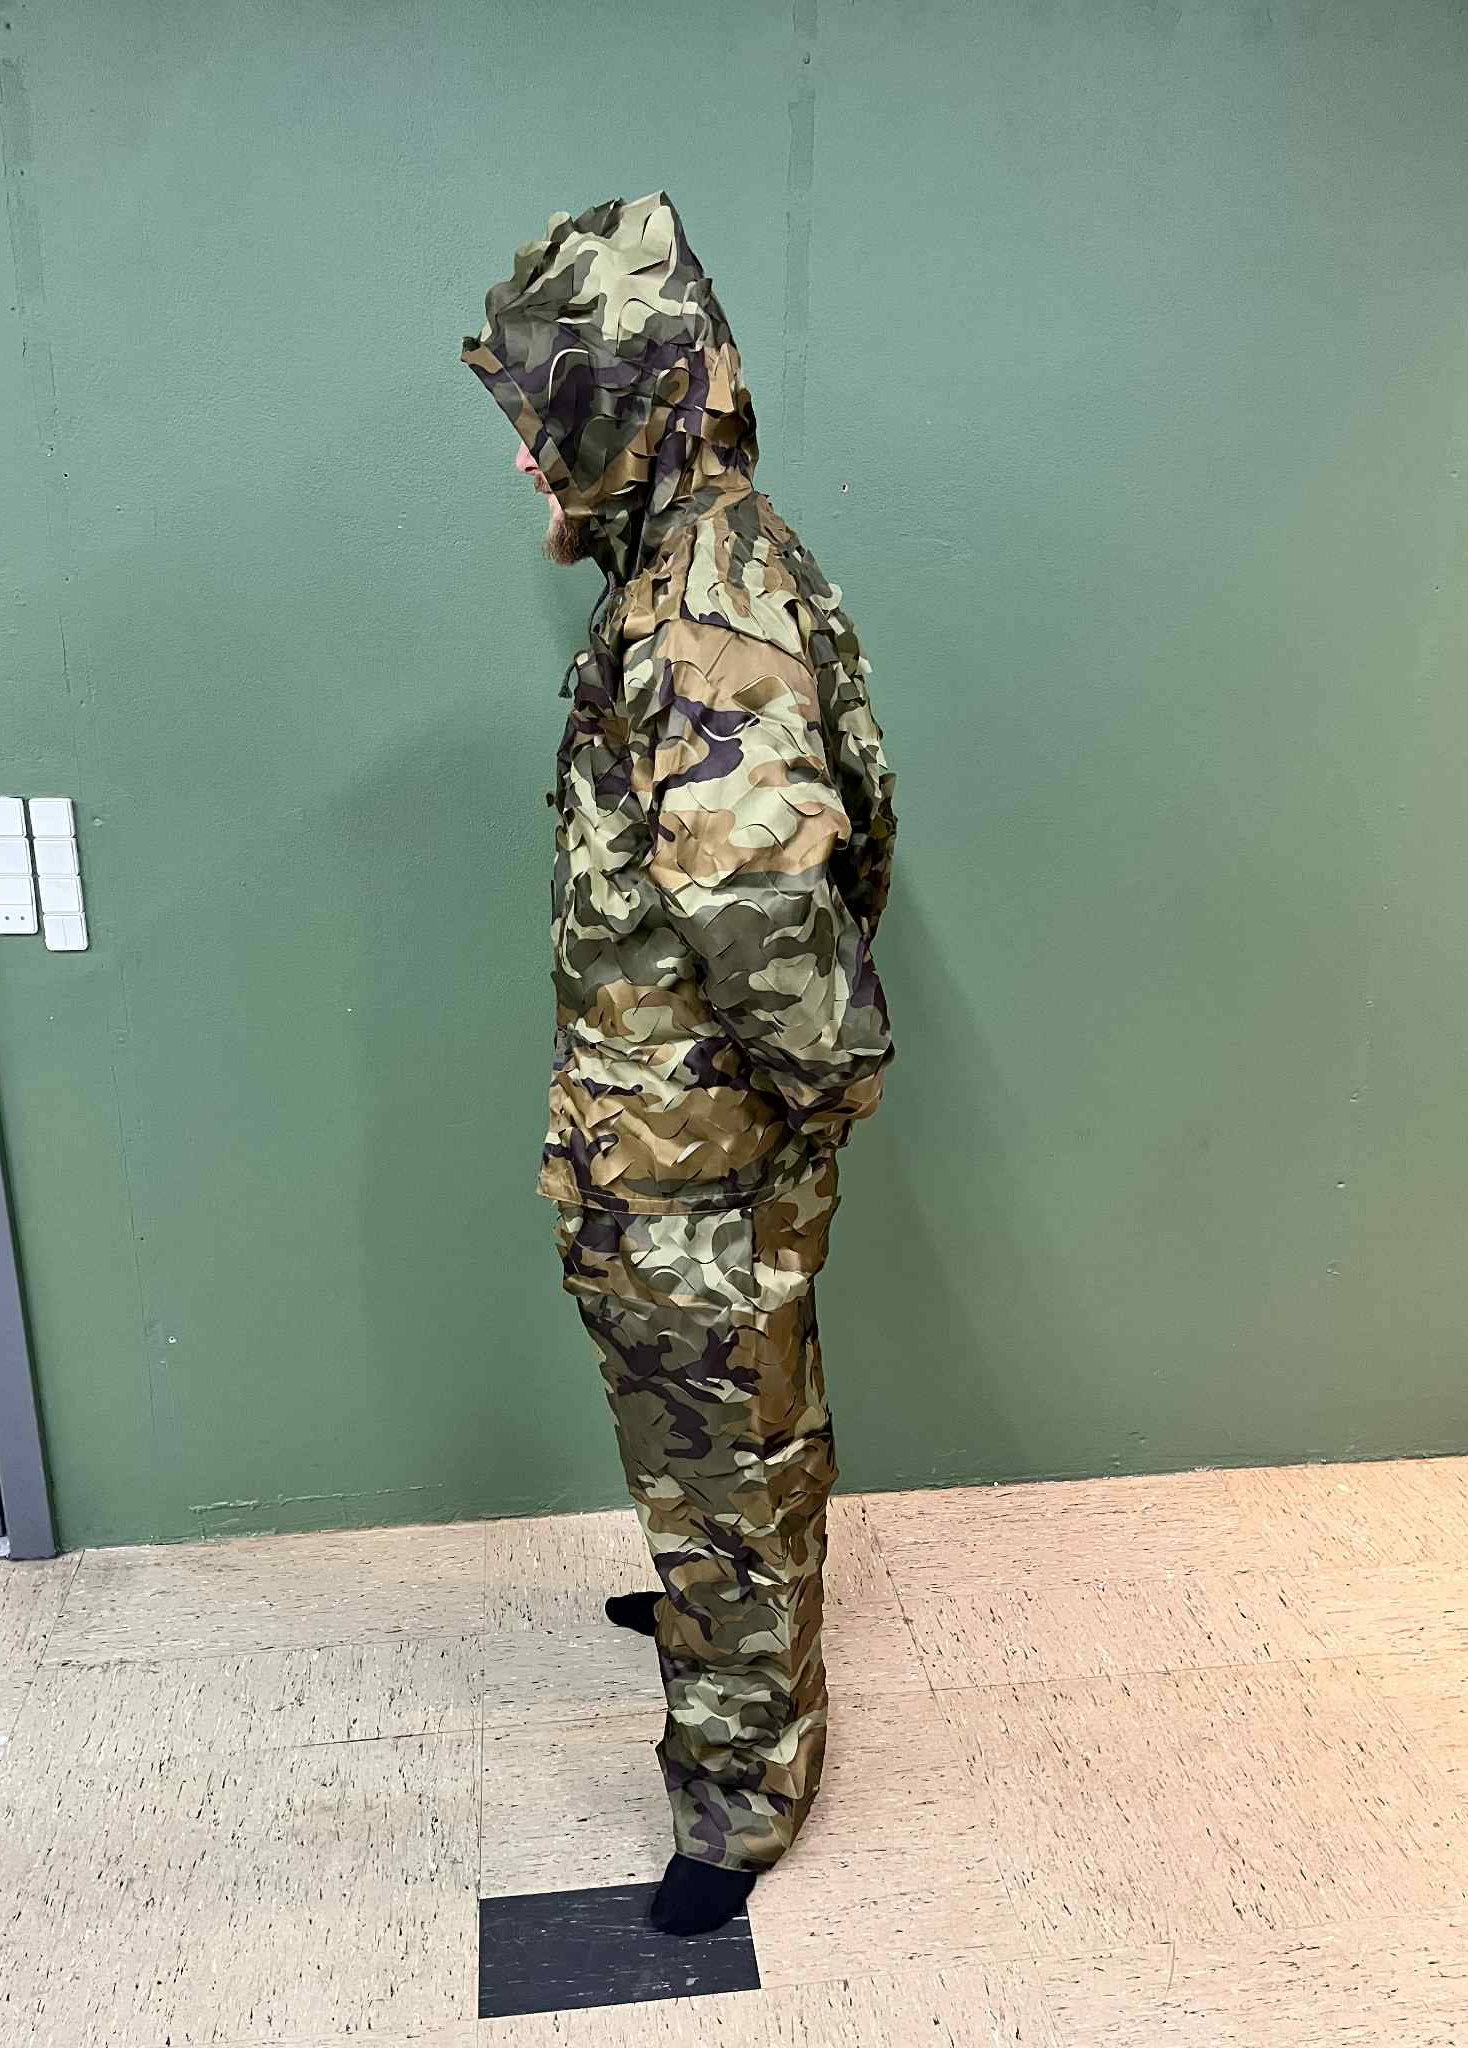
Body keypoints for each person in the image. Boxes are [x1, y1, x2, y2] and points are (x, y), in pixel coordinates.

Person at [462, 192, 896, 1937]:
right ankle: (733, 1605)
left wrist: (819, 1093)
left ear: (629, 406)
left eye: (543, 421)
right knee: (739, 1422)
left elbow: (768, 902)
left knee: (719, 1443)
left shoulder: (696, 608)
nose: (524, 464)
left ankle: (742, 1787)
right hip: (680, 1139)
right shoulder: (696, 561)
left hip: (691, 1161)